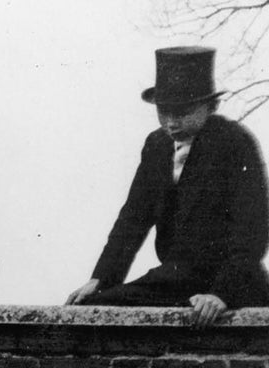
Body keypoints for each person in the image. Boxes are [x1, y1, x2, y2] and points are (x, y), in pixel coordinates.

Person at [70, 47, 269, 327]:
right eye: (164, 112)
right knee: (92, 307)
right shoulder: (157, 146)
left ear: (211, 107)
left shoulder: (234, 142)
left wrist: (221, 295)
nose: (171, 123)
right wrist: (101, 278)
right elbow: (132, 220)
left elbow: (252, 231)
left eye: (184, 112)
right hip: (176, 278)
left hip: (230, 283)